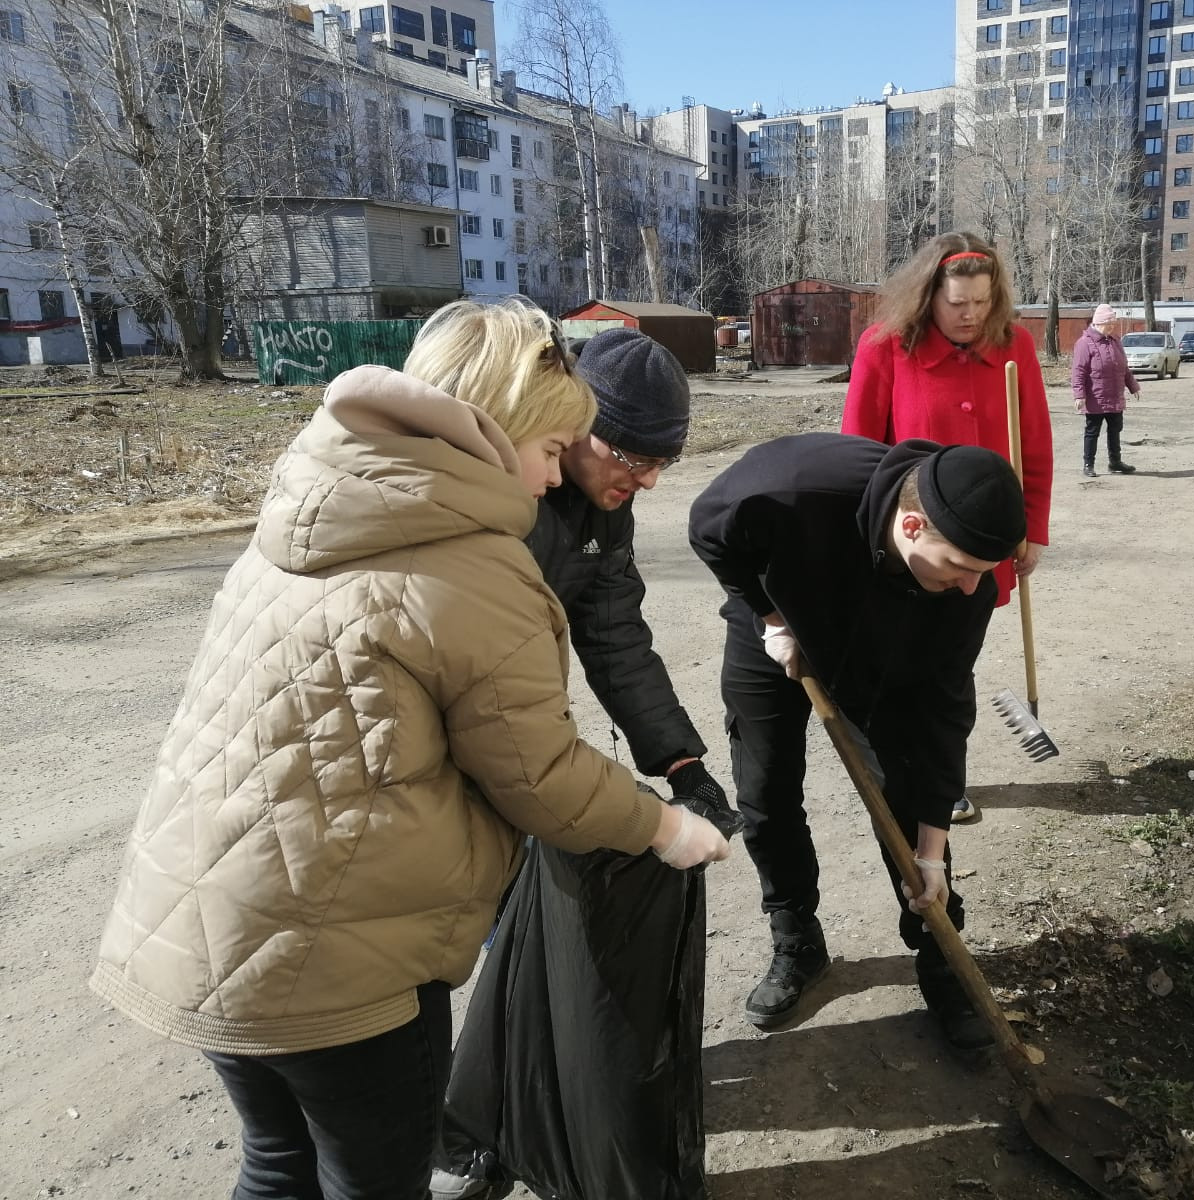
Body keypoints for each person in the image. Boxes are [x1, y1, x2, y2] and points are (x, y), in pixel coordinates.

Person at [89, 299, 731, 1200]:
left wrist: (677, 757)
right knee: (375, 1178)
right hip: (337, 960)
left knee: (278, 1165)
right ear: (503, 427)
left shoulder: (316, 505)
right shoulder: (470, 559)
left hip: (202, 921)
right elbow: (540, 772)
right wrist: (665, 829)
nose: (553, 480)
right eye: (557, 450)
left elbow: (609, 638)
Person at [430, 328, 738, 1200]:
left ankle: (505, 1108)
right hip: (456, 742)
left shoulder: (607, 508)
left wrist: (680, 762)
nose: (641, 483)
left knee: (518, 926)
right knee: (457, 930)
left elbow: (616, 636)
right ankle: (465, 1125)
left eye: (659, 467)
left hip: (520, 728)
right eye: (632, 459)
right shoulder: (495, 495)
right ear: (569, 426)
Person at [689, 434, 1027, 1048]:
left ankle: (941, 958)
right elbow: (709, 528)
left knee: (903, 789)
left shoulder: (962, 594)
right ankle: (797, 940)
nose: (975, 587)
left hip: (881, 653)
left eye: (986, 573)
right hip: (778, 633)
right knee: (765, 792)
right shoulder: (795, 490)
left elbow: (942, 719)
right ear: (913, 524)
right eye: (961, 567)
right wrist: (768, 618)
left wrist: (930, 851)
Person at [841, 230, 1052, 608]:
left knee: (963, 652)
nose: (970, 314)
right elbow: (855, 452)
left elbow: (1033, 446)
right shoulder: (885, 346)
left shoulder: (1014, 346)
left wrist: (1033, 530)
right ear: (928, 298)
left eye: (981, 301)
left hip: (987, 537)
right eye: (957, 303)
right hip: (914, 542)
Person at [1072, 303, 1140, 478]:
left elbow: (1124, 368)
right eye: (1108, 324)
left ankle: (1115, 462)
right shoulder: (1084, 343)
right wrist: (1079, 395)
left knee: (1115, 429)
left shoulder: (1115, 341)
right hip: (1095, 397)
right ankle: (1088, 464)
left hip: (1115, 396)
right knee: (1092, 431)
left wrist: (1133, 387)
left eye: (1113, 324)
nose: (1112, 327)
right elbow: (1078, 371)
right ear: (1098, 322)